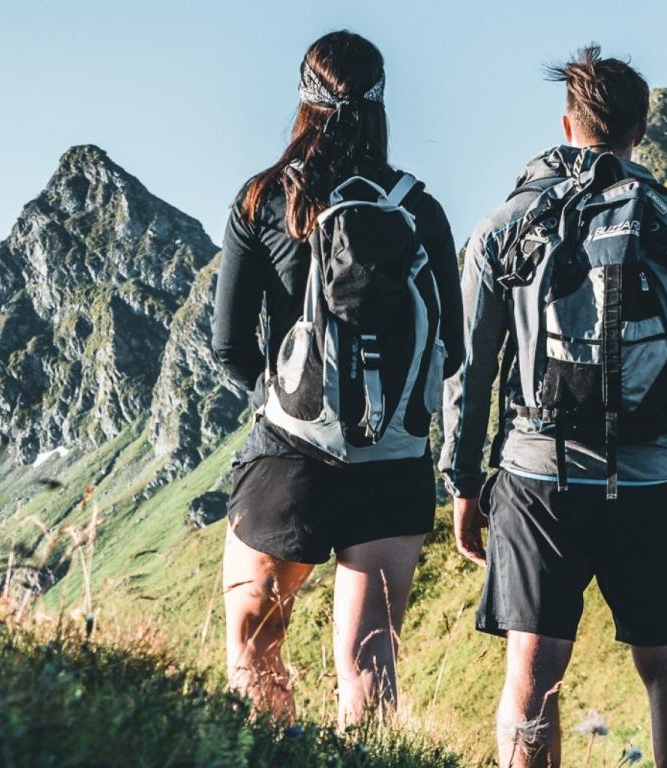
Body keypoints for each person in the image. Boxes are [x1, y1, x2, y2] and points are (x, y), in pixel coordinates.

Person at [440, 45, 667, 768]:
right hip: (652, 478)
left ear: (566, 124)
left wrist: (463, 484)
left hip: (537, 479)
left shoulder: (503, 227)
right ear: (640, 130)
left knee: (533, 666)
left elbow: (470, 371)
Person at [210, 30, 464, 727]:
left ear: (304, 100)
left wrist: (287, 400)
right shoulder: (419, 209)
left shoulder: (264, 200)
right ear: (380, 103)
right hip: (394, 460)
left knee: (254, 645)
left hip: (292, 456)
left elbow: (229, 345)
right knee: (370, 659)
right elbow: (452, 351)